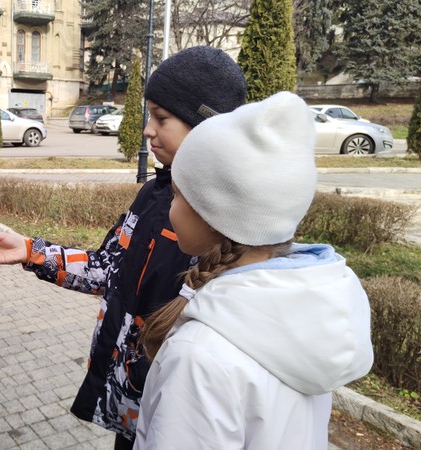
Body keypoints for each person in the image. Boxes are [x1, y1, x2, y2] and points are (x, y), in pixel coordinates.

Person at [0, 46, 248, 448]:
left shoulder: (225, 223)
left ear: (204, 126)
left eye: (161, 118)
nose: (147, 130)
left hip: (175, 416)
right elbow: (107, 267)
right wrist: (30, 251)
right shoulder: (153, 194)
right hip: (128, 402)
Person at [134, 91, 374, 449]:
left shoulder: (199, 356)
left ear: (212, 213)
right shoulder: (311, 318)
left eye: (178, 195)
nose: (171, 206)